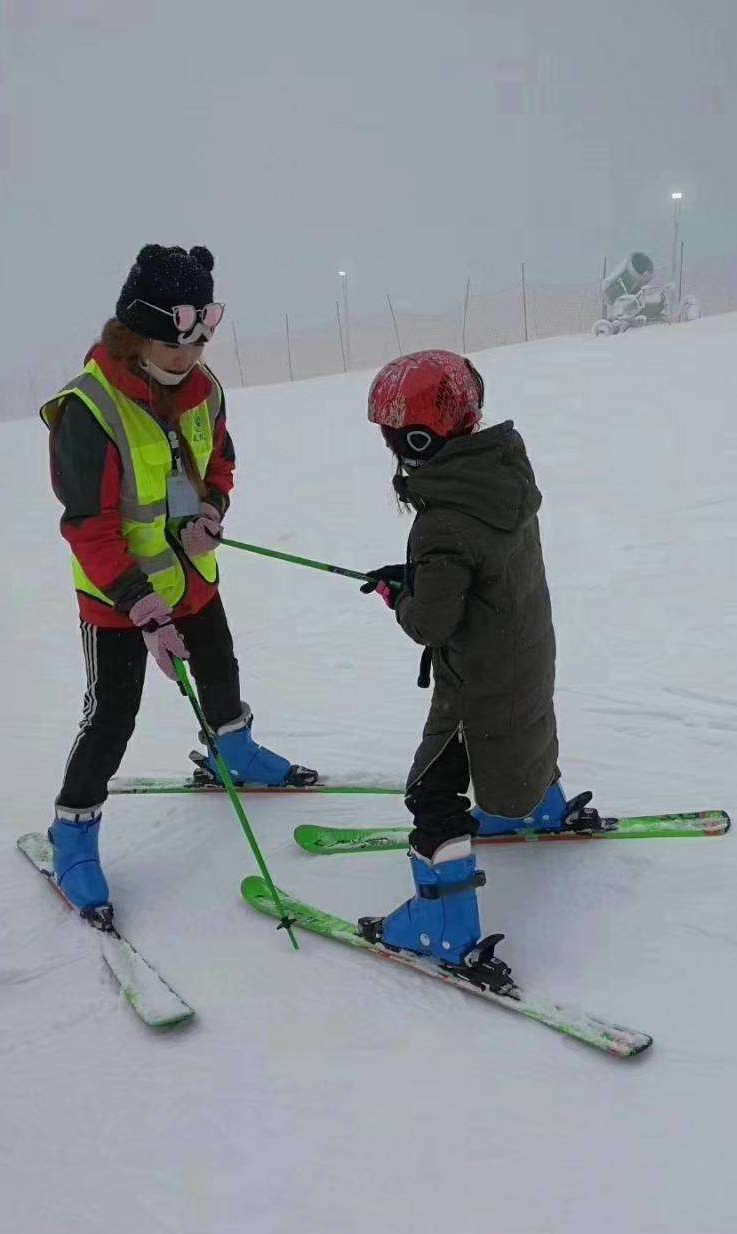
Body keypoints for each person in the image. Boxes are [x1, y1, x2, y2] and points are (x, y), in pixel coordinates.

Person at [41, 244, 316, 921]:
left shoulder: (205, 389)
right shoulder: (90, 409)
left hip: (193, 579)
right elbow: (90, 527)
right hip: (118, 602)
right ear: (136, 333)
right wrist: (143, 609)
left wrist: (212, 511)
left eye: (198, 344)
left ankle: (234, 752)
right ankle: (72, 831)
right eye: (172, 347)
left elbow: (218, 460)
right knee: (111, 717)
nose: (187, 360)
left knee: (221, 668)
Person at [356, 350, 586, 991]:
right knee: (528, 724)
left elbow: (430, 624)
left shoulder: (442, 524)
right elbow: (479, 573)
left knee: (431, 792)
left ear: (419, 440)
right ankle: (540, 805)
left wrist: (398, 594)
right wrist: (419, 580)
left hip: (477, 680)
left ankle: (444, 926)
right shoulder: (501, 480)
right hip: (524, 651)